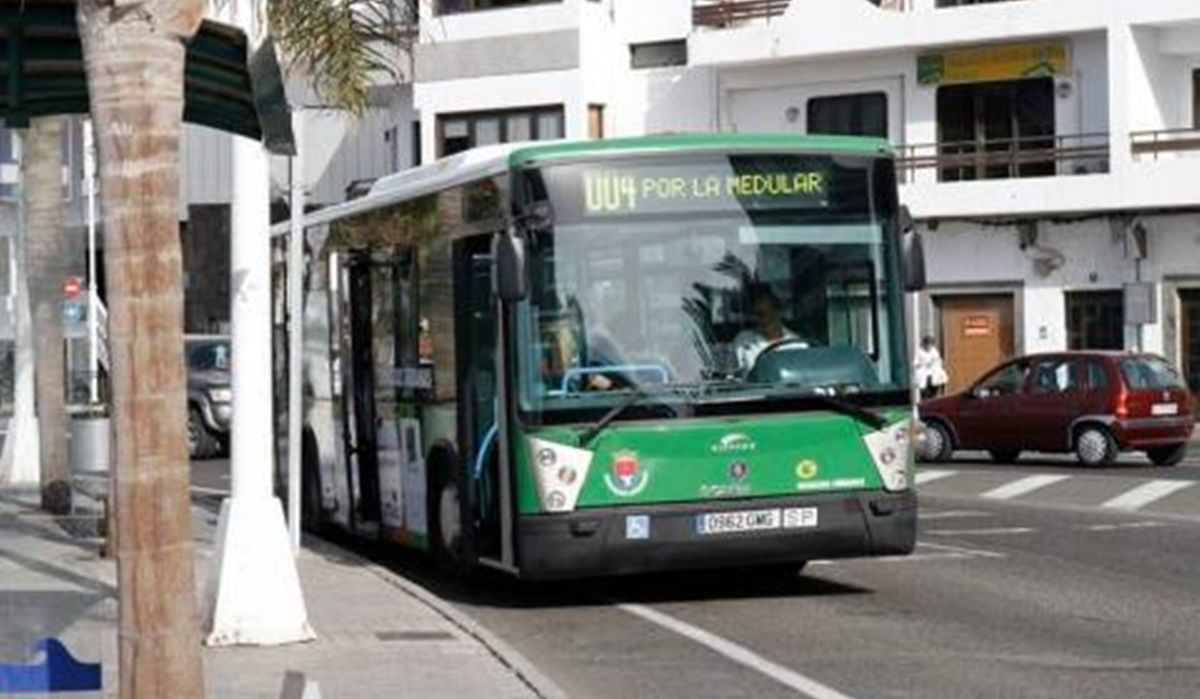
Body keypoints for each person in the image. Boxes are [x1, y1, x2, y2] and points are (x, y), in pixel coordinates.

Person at [733, 286, 802, 372]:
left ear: (778, 313)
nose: (757, 319)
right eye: (754, 315)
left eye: (762, 314)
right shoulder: (743, 341)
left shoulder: (797, 344)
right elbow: (733, 375)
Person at [914, 335, 948, 400]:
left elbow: (938, 360)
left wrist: (938, 362)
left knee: (934, 391)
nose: (929, 346)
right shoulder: (919, 352)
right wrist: (924, 364)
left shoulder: (934, 351)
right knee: (925, 393)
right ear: (924, 344)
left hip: (934, 374)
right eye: (927, 345)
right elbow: (916, 364)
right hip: (925, 375)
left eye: (930, 345)